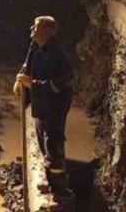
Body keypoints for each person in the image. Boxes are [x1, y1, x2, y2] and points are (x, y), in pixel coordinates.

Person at [14, 16, 74, 191]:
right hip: (40, 103)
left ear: (48, 31)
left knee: (53, 142)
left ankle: (59, 188)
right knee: (42, 139)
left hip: (54, 106)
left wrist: (32, 84)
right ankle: (50, 179)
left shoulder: (58, 55)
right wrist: (20, 78)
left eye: (37, 26)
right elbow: (27, 63)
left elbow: (59, 84)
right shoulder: (36, 45)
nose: (32, 28)